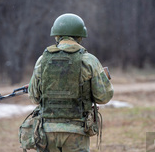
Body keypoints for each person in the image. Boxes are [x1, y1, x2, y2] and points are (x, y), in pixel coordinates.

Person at [28, 13, 113, 152]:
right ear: (80, 36)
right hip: (77, 132)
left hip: (47, 132)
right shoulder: (89, 60)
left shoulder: (42, 60)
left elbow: (34, 97)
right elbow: (103, 97)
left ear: (56, 36)